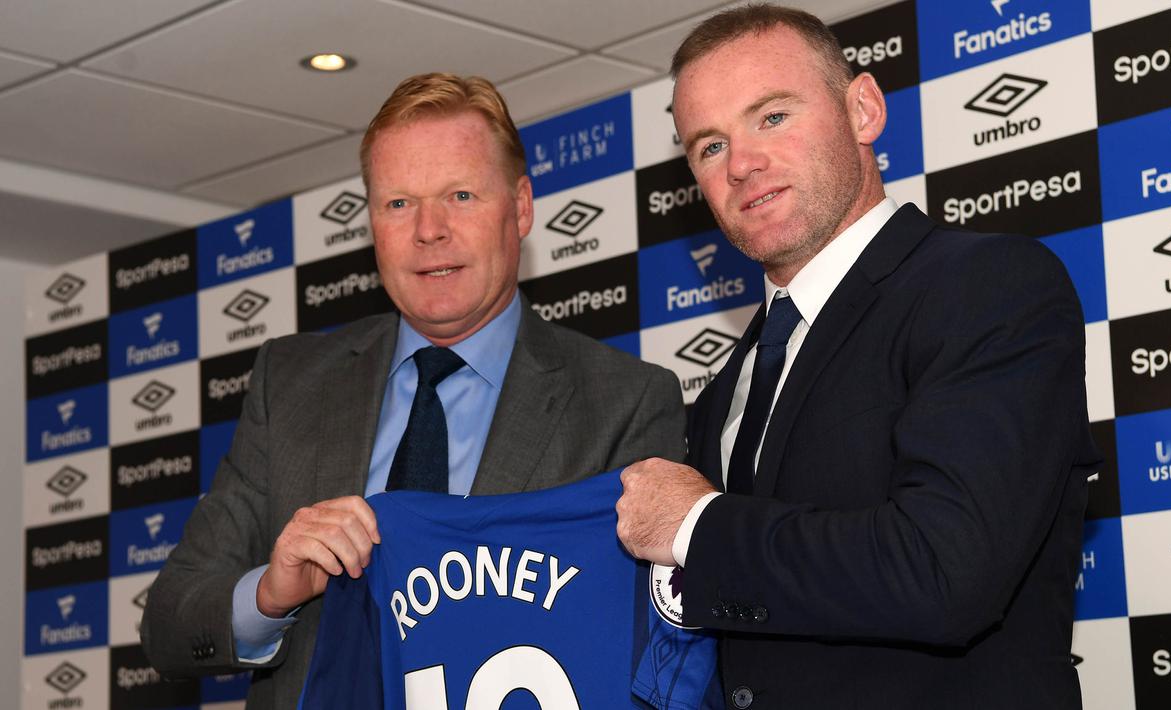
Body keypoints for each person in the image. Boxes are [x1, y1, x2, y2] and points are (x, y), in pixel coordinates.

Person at [141, 72, 685, 709]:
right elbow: (169, 623)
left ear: (521, 207)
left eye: (460, 195)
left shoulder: (624, 402)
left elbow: (639, 647)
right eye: (398, 203)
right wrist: (270, 594)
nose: (429, 230)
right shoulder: (288, 384)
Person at [615, 5, 1100, 709]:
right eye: (710, 146)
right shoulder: (729, 386)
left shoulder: (987, 287)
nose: (742, 164)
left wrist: (696, 525)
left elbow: (944, 573)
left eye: (772, 116)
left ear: (863, 109)